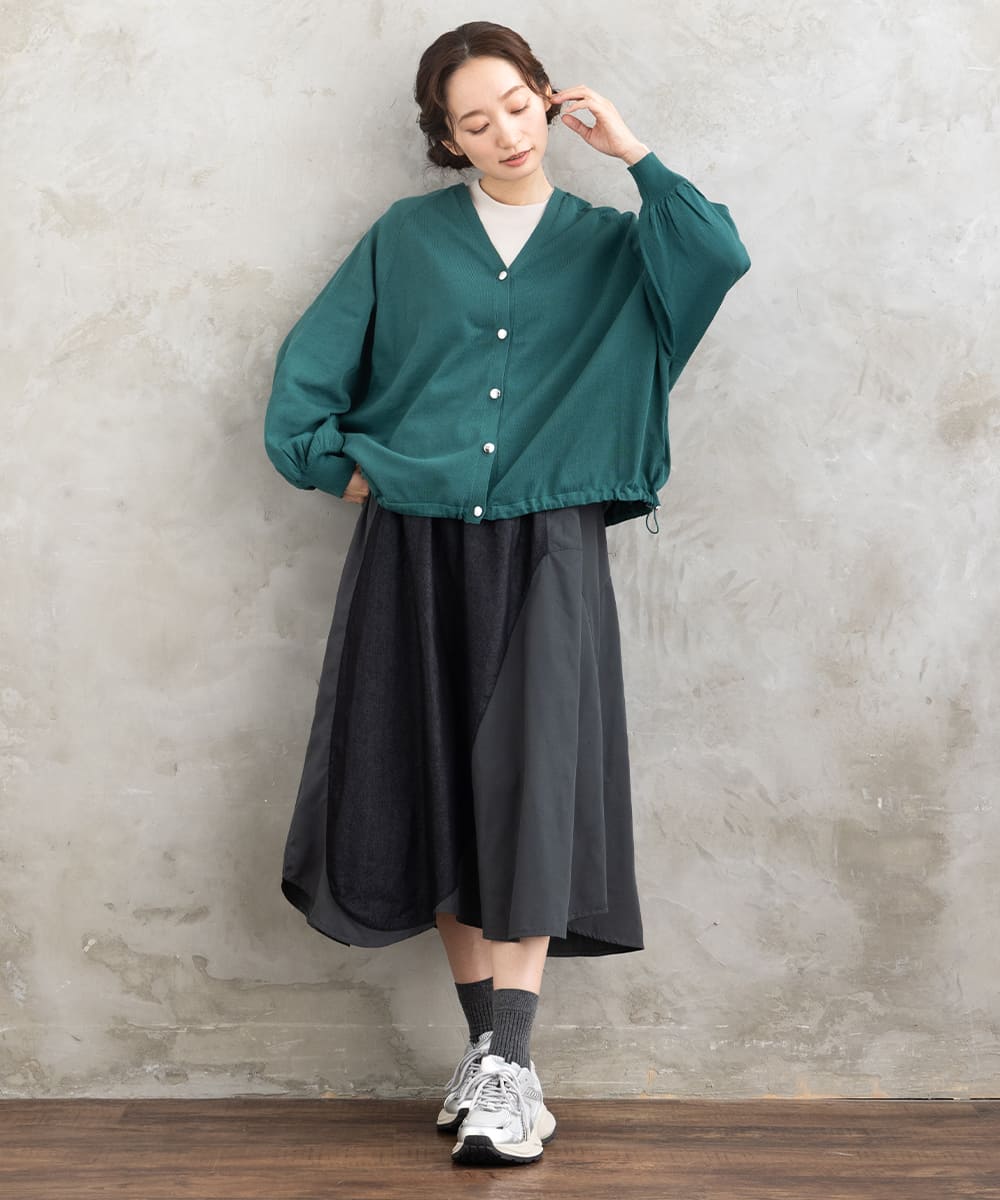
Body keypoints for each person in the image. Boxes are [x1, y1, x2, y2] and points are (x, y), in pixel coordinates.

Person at [263, 20, 750, 1168]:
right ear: (447, 140)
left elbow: (716, 255)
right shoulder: (404, 239)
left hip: (547, 544)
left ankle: (514, 1066)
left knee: (531, 786)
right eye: (474, 122)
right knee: (437, 783)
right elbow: (304, 382)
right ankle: (490, 1058)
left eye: (519, 106)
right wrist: (344, 468)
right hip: (414, 543)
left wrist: (631, 150)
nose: (505, 133)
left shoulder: (615, 245)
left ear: (549, 99)